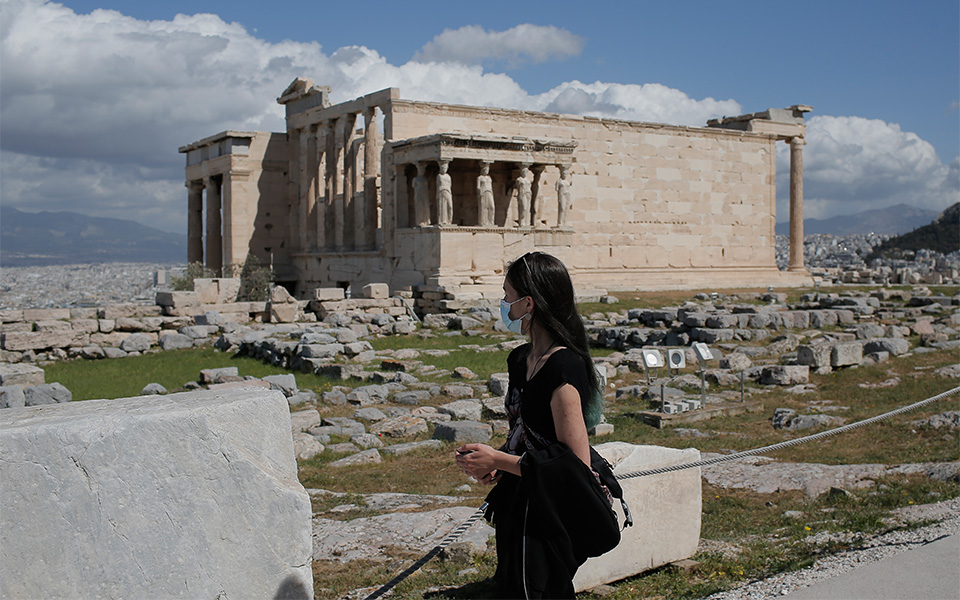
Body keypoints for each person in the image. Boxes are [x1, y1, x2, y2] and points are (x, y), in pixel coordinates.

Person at [455, 251, 615, 599]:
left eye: (507, 295)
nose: (503, 305)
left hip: (550, 513)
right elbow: (525, 433)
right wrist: (493, 463)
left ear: (528, 303)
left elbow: (573, 464)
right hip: (517, 500)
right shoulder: (519, 360)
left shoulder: (564, 368)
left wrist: (499, 460)